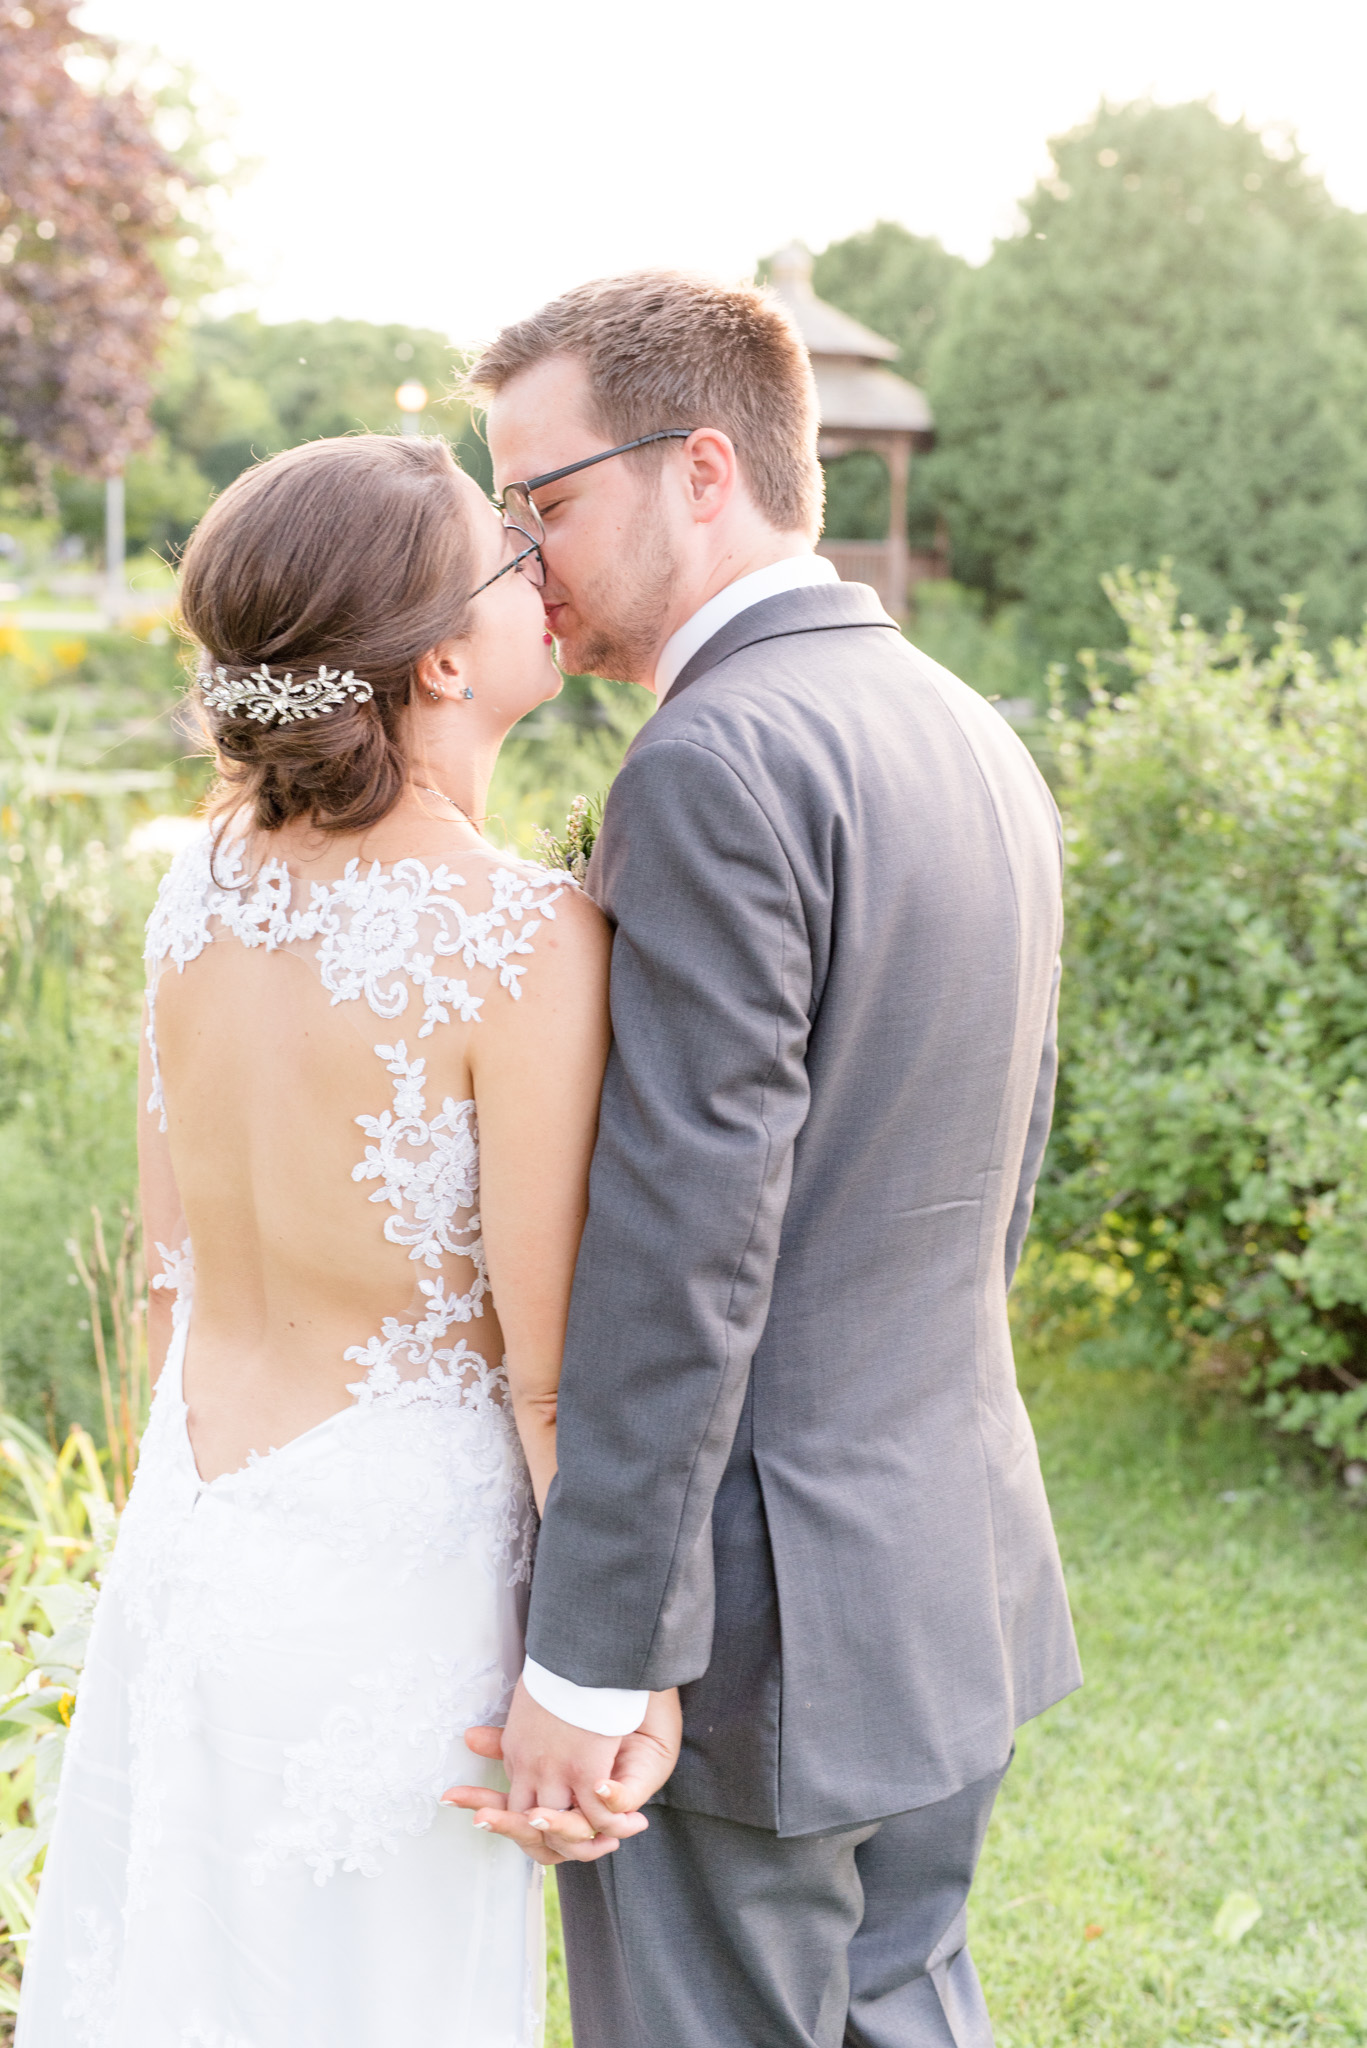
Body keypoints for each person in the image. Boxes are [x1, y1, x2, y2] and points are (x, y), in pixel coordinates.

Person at [446, 272, 1083, 2048]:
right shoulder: (970, 730)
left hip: (756, 1637)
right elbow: (992, 1179)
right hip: (943, 1567)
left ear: (702, 467)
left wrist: (593, 1655)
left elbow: (682, 1247)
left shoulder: (716, 761)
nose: (524, 550)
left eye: (547, 497)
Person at [16, 432, 679, 2048]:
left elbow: (167, 1282)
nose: (547, 574)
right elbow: (546, 1385)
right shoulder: (523, 938)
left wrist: (187, 1528)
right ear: (442, 654)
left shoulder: (199, 890)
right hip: (393, 1594)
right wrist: (610, 1677)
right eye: (508, 556)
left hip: (196, 1534)